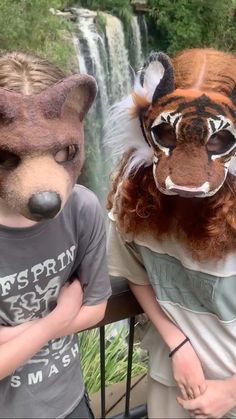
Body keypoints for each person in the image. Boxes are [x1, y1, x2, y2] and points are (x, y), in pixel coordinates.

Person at [106, 48, 236, 418]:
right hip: (173, 380)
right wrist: (177, 344)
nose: (187, 174)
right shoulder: (132, 200)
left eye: (217, 141)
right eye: (167, 133)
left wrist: (230, 391)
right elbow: (136, 276)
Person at [0, 52, 111, 418]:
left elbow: (95, 306)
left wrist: (15, 341)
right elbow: (76, 310)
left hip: (69, 401)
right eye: (6, 158)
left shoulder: (81, 209)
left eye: (63, 152)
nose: (47, 193)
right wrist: (55, 322)